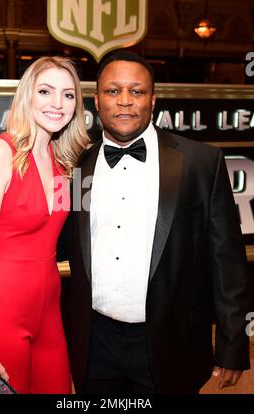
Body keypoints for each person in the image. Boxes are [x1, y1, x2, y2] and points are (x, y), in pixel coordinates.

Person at [61, 51, 251, 394]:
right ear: (96, 99)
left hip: (171, 341)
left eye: (136, 92)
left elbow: (227, 261)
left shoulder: (200, 162)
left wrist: (232, 343)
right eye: (113, 91)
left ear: (153, 99)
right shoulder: (76, 162)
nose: (124, 102)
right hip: (93, 342)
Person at [0, 56, 90, 394]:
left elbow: (68, 237)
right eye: (46, 91)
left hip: (49, 317)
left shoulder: (66, 165)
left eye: (68, 95)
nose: (57, 104)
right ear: (27, 95)